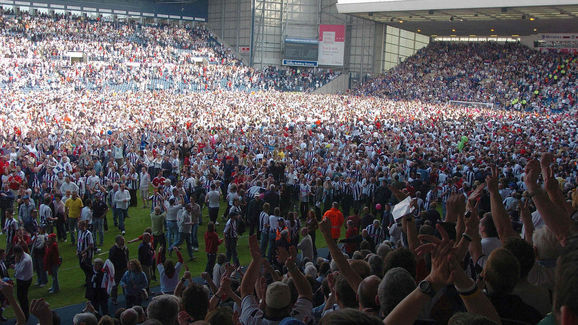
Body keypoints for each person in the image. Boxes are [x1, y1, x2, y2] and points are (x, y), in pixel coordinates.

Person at [12, 245, 33, 320]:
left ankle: (24, 316)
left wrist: (16, 263)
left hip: (23, 281)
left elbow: (18, 271)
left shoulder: (25, 260)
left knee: (22, 299)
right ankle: (24, 315)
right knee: (23, 298)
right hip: (25, 279)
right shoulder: (25, 256)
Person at [109, 235, 129, 305]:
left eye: (123, 240)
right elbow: (111, 260)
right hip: (117, 270)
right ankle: (114, 299)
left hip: (124, 268)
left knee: (125, 284)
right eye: (122, 240)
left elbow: (127, 257)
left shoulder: (125, 248)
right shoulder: (113, 250)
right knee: (115, 285)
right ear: (117, 241)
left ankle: (126, 296)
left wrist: (127, 265)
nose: (123, 241)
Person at [77, 220, 95, 285]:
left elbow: (91, 244)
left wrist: (84, 251)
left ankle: (90, 280)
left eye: (79, 225)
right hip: (80, 253)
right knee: (82, 266)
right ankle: (88, 279)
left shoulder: (88, 234)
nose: (78, 227)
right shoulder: (79, 232)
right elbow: (79, 242)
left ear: (83, 226)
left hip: (86, 254)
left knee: (88, 267)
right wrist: (78, 250)